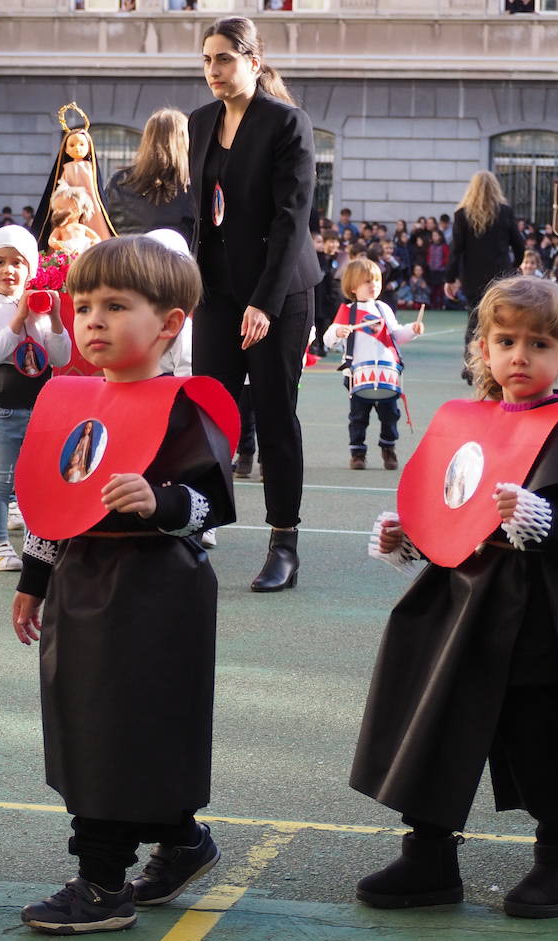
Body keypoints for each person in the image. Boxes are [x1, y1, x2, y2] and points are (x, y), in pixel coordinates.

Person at [351, 274, 558, 920]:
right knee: (435, 723)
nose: (518, 355)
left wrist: (540, 517)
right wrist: (407, 537)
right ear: (482, 348)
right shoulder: (466, 421)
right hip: (459, 603)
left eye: (537, 344)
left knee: (536, 736)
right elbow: (444, 505)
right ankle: (428, 854)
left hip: (537, 612)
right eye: (504, 340)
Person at [10, 236, 237, 934]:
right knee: (90, 723)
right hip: (82, 583)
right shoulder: (68, 399)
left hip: (155, 591)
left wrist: (161, 500)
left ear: (169, 323)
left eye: (116, 306)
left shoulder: (183, 404)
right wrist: (34, 577)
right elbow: (54, 500)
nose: (94, 322)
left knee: (132, 727)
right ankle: (182, 839)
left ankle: (103, 881)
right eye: (83, 307)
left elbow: (211, 503)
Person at [189, 16, 322, 592]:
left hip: (280, 294)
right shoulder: (199, 122)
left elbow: (293, 217)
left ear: (254, 61)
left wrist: (265, 302)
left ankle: (283, 542)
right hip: (216, 294)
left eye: (224, 59)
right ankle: (195, 524)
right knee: (208, 412)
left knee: (273, 415)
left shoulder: (286, 123)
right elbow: (200, 214)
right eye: (206, 61)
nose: (213, 71)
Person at [0, 225, 72, 571]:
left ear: (31, 269)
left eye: (17, 263)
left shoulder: (42, 309)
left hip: (42, 408)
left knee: (40, 477)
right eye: (0, 262)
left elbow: (60, 358)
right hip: (4, 408)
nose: (8, 269)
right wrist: (18, 319)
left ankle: (37, 541)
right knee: (1, 478)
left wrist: (55, 318)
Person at [331, 257, 423, 471]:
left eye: (377, 281)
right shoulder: (347, 311)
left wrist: (413, 329)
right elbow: (329, 337)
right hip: (356, 374)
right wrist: (338, 331)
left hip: (385, 372)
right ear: (353, 287)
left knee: (390, 414)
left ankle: (388, 448)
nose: (374, 286)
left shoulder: (383, 309)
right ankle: (357, 453)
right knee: (358, 417)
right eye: (367, 282)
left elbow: (396, 334)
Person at [443, 171, 526, 380]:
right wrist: (514, 267)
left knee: (474, 321)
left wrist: (450, 279)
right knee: (500, 322)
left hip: (472, 277)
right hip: (500, 277)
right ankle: (497, 364)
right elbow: (519, 245)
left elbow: (456, 250)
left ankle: (470, 365)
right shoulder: (505, 212)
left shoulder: (462, 215)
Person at [104, 108, 197, 245]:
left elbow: (107, 228)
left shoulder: (119, 182)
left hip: (126, 261)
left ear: (147, 139)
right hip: (176, 264)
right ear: (185, 139)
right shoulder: (194, 184)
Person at [31, 108, 117, 247]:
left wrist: (89, 203)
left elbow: (94, 188)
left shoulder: (90, 167)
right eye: (72, 145)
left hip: (90, 206)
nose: (77, 148)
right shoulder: (67, 168)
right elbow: (63, 186)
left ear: (89, 147)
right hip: (70, 204)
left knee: (97, 231)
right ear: (65, 149)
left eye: (81, 144)